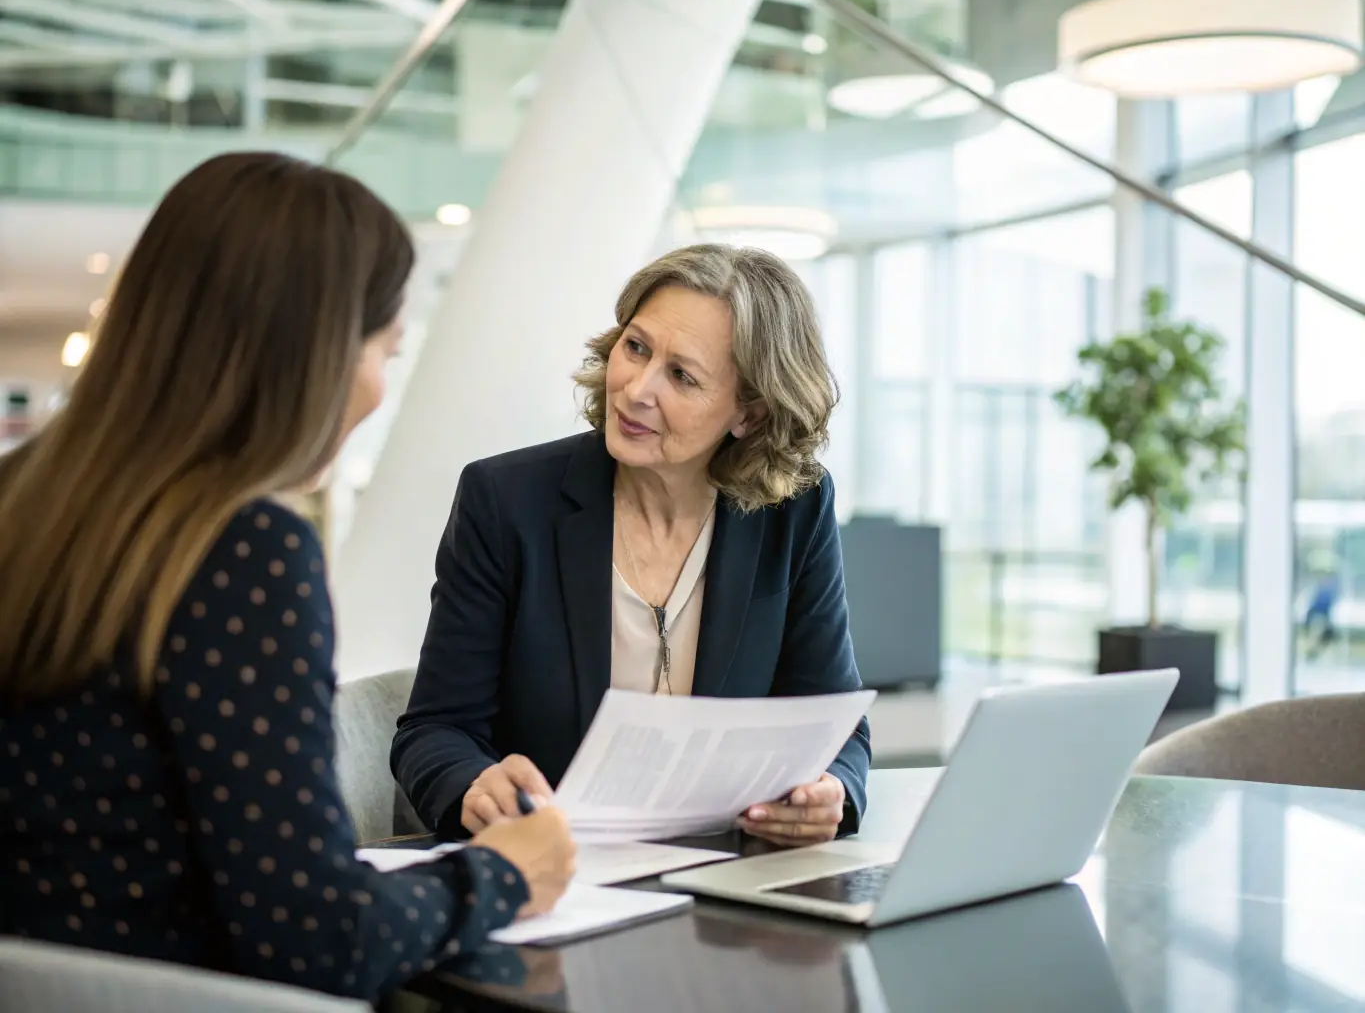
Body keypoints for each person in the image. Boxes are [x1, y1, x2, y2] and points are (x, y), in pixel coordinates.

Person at [0, 153, 575, 1002]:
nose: (379, 387)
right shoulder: (240, 552)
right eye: (386, 350)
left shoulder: (26, 503)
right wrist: (499, 876)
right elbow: (316, 939)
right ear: (316, 355)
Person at [393, 243, 871, 848]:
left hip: (731, 876)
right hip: (558, 877)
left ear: (748, 413)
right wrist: (475, 784)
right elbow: (434, 731)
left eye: (682, 376)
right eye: (636, 347)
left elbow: (834, 722)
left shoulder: (794, 507)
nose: (636, 389)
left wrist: (832, 792)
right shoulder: (506, 500)